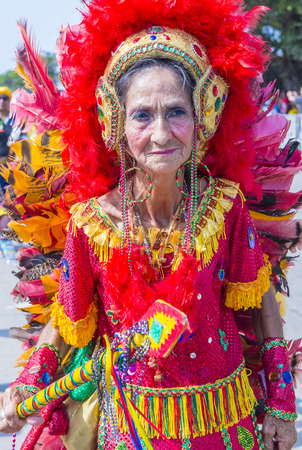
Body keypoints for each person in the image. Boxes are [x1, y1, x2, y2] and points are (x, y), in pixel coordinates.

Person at [0, 0, 299, 449]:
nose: (161, 134)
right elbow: (67, 320)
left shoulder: (225, 208)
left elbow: (263, 308)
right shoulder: (92, 224)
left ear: (203, 115)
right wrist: (26, 385)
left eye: (176, 112)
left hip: (221, 424)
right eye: (142, 115)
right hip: (129, 426)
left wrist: (280, 402)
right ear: (115, 123)